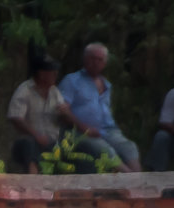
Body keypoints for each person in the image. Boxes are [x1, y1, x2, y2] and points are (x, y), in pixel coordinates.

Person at [59, 43, 141, 172]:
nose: (96, 62)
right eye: (92, 58)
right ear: (85, 59)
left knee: (129, 147)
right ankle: (131, 180)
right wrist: (85, 128)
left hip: (108, 131)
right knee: (105, 150)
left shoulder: (107, 85)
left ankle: (139, 179)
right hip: (79, 133)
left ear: (105, 62)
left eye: (100, 59)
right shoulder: (72, 80)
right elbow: (63, 112)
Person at [8, 56, 77, 173]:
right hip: (28, 142)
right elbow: (16, 118)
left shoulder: (54, 92)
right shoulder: (25, 90)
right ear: (42, 74)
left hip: (53, 142)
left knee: (74, 149)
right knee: (29, 145)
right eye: (52, 72)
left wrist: (66, 114)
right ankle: (33, 181)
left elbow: (66, 119)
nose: (55, 75)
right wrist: (37, 135)